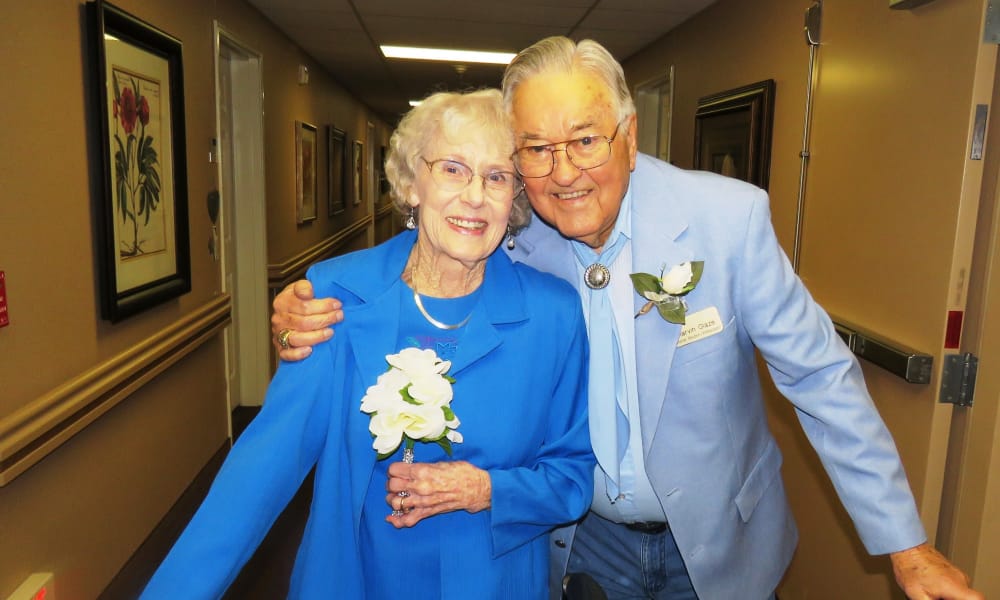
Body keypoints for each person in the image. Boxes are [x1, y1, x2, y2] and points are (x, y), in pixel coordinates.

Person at [271, 38, 983, 600]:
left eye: (586, 139)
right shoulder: (513, 239)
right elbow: (424, 249)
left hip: (720, 543)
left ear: (629, 136)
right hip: (584, 540)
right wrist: (312, 296)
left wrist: (906, 546)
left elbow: (822, 378)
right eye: (537, 151)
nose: (565, 173)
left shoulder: (726, 221)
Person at [142, 89, 595, 599]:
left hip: (495, 582)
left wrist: (485, 489)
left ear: (513, 199)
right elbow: (260, 471)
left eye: (496, 177)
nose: (474, 196)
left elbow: (572, 477)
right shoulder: (338, 297)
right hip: (359, 577)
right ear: (411, 182)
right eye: (452, 169)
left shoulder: (553, 314)